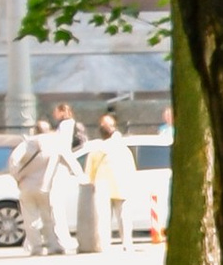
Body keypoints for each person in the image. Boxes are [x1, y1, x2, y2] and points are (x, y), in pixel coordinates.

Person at [10, 110, 76, 257]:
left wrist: (18, 178)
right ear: (49, 130)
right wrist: (79, 175)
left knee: (30, 218)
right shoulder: (55, 143)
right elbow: (69, 159)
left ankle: (36, 248)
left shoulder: (27, 144)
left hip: (27, 186)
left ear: (34, 130)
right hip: (47, 186)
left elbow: (13, 162)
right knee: (49, 218)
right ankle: (54, 246)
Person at [83, 112, 139, 253]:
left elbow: (89, 173)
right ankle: (127, 243)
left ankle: (104, 245)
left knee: (103, 219)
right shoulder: (123, 148)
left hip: (102, 187)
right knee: (124, 217)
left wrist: (90, 184)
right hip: (122, 185)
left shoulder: (96, 150)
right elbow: (131, 168)